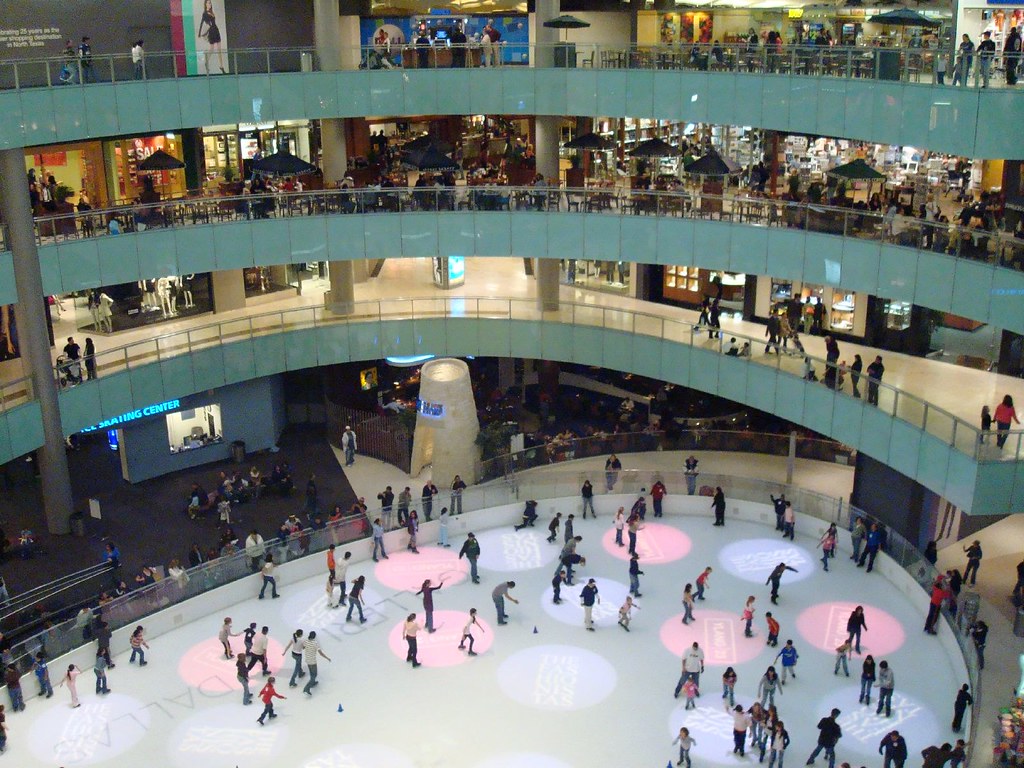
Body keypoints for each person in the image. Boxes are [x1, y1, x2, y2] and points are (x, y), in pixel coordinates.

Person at [301, 631, 330, 695]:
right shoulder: (315, 643)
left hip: (308, 660)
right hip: (313, 662)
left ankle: (313, 682)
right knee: (314, 675)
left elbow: (303, 647)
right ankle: (306, 688)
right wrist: (327, 658)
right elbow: (320, 653)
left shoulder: (306, 641)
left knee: (312, 673)